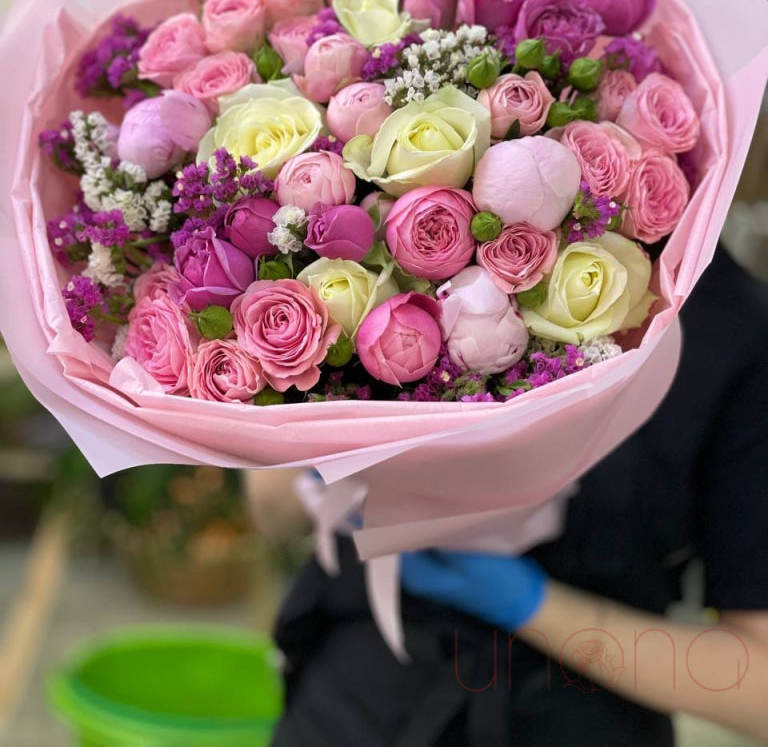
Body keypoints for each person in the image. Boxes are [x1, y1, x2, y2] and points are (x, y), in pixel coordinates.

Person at [268, 244, 768, 745]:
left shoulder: (737, 332)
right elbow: (269, 514)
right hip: (356, 696)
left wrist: (533, 606)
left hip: (573, 715)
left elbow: (758, 690)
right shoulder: (381, 240)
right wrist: (319, 455)